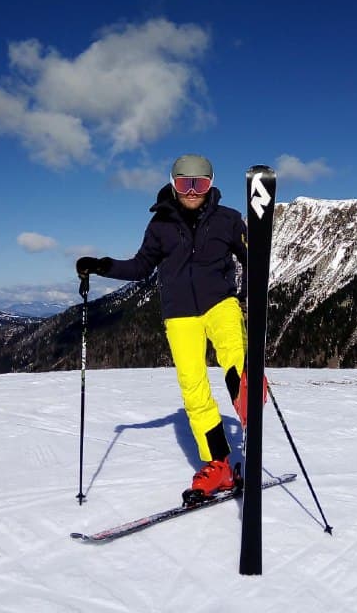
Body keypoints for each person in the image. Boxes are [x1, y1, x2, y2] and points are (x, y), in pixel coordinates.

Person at [76, 154, 251, 499]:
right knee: (193, 389)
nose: (191, 191)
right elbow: (141, 267)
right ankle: (219, 465)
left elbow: (253, 259)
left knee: (232, 350)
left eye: (198, 184)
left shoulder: (229, 220)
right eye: (184, 183)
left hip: (221, 303)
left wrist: (254, 275)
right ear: (173, 183)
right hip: (179, 315)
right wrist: (102, 265)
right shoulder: (159, 226)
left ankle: (248, 399)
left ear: (211, 184)